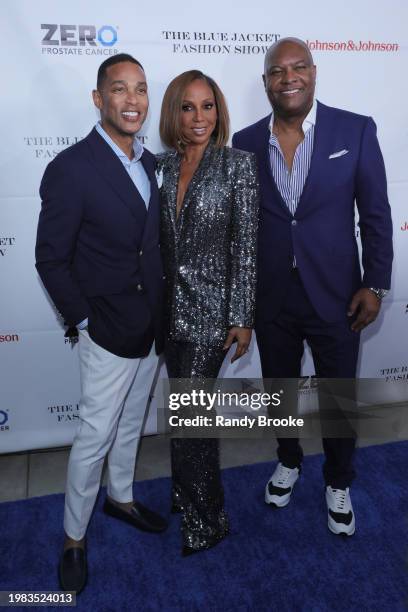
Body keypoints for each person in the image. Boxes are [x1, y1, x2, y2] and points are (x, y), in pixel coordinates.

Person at [232, 38, 393, 536]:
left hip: (339, 296)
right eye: (278, 71)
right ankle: (288, 460)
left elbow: (376, 214)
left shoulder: (355, 129)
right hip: (273, 296)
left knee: (339, 398)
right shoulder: (244, 141)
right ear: (266, 83)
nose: (289, 77)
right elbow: (241, 229)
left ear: (314, 72)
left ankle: (338, 480)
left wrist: (377, 284)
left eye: (298, 66)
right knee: (279, 391)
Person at [35, 54, 167, 594]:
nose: (132, 100)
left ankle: (121, 498)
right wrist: (86, 319)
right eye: (120, 89)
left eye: (140, 89)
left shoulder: (151, 163)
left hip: (152, 327)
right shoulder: (71, 167)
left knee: (131, 423)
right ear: (98, 99)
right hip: (108, 330)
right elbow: (50, 259)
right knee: (94, 434)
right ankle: (72, 537)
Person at [157, 70, 259, 554]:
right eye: (188, 107)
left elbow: (245, 247)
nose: (200, 117)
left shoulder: (238, 165)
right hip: (166, 316)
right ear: (174, 112)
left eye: (208, 106)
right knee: (182, 414)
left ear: (219, 112)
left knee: (193, 419)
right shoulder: (158, 167)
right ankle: (184, 493)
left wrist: (241, 317)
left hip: (211, 316)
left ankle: (207, 521)